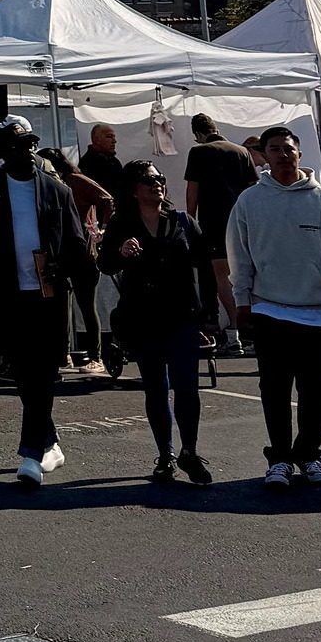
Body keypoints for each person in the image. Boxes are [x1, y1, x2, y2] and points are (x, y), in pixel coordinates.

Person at [227, 123, 321, 487]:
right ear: (264, 157)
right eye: (275, 150)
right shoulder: (250, 200)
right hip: (269, 308)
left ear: (299, 153)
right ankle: (280, 460)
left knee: (315, 394)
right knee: (274, 390)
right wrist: (242, 304)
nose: (283, 155)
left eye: (288, 149)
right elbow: (239, 257)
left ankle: (309, 456)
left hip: (317, 311)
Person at [0, 116, 93, 488]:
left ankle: (34, 451)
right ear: (5, 153)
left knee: (44, 370)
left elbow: (75, 246)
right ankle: (44, 445)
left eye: (31, 144)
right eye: (20, 146)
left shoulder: (57, 190)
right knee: (24, 373)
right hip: (9, 293)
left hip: (48, 294)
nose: (28, 151)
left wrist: (63, 267)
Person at [98, 162, 217, 485]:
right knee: (156, 388)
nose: (156, 185)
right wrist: (121, 252)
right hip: (143, 317)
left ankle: (189, 452)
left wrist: (209, 315)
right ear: (134, 189)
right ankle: (165, 455)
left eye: (160, 179)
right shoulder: (123, 222)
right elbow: (104, 263)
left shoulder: (181, 221)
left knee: (188, 388)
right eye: (148, 180)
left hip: (182, 316)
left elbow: (204, 268)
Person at [183, 114, 259, 355]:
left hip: (214, 221)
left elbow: (192, 189)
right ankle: (254, 328)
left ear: (197, 134)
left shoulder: (199, 152)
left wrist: (190, 221)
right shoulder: (241, 151)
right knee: (247, 273)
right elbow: (251, 188)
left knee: (221, 277)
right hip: (243, 220)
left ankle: (235, 332)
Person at [46, 147, 112, 375]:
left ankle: (96, 356)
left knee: (86, 304)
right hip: (62, 253)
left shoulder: (74, 180)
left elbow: (107, 200)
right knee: (61, 305)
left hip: (84, 252)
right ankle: (63, 354)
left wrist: (102, 230)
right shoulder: (53, 183)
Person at [79, 122, 126, 204]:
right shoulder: (88, 164)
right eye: (109, 136)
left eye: (114, 137)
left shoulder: (114, 162)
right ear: (97, 140)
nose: (114, 141)